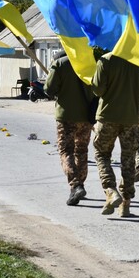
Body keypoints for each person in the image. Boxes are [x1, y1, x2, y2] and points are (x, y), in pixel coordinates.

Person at [91, 53, 139, 217]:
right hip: (131, 119)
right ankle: (125, 205)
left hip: (107, 117)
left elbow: (97, 89)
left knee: (101, 154)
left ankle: (110, 190)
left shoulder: (106, 60)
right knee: (129, 160)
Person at [44, 50, 95, 206]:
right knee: (81, 150)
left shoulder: (60, 64)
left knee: (66, 150)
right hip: (86, 115)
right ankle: (80, 184)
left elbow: (49, 89)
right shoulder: (90, 63)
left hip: (66, 116)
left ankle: (75, 185)